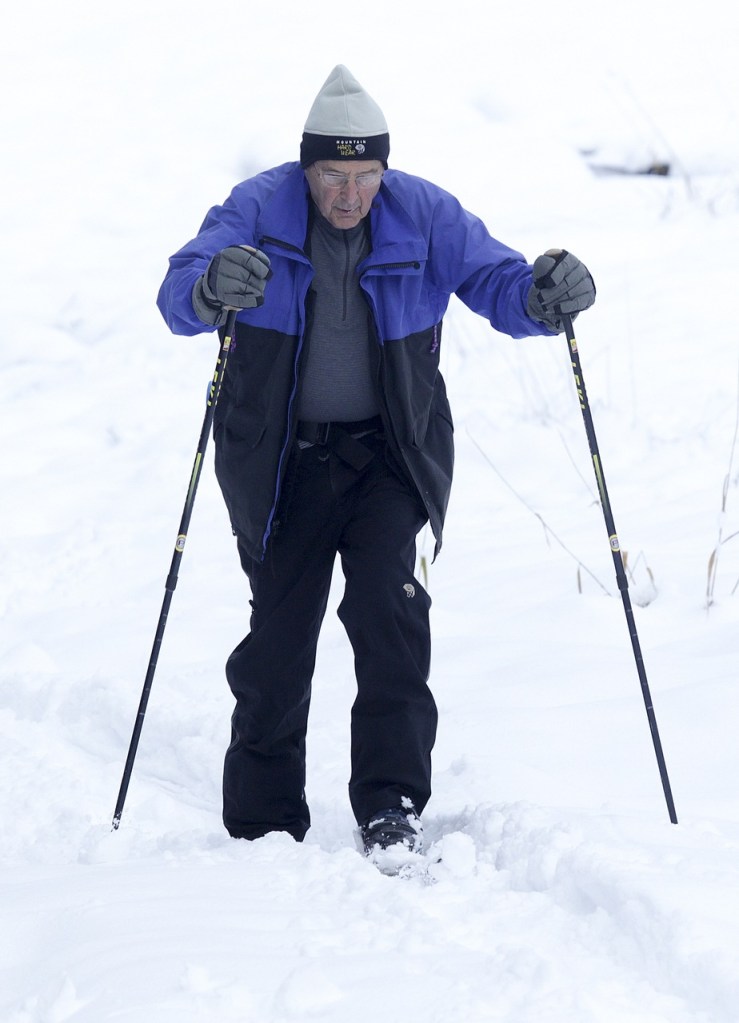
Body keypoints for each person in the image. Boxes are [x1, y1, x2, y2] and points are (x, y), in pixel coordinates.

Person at [157, 65, 595, 861]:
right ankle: (261, 821)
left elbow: (497, 279)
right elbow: (180, 288)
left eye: (365, 175)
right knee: (278, 641)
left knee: (390, 617)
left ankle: (390, 805)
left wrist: (541, 296)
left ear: (384, 172)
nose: (349, 193)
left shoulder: (423, 213)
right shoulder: (259, 207)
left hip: (388, 457)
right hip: (284, 463)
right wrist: (210, 287)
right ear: (307, 166)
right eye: (333, 173)